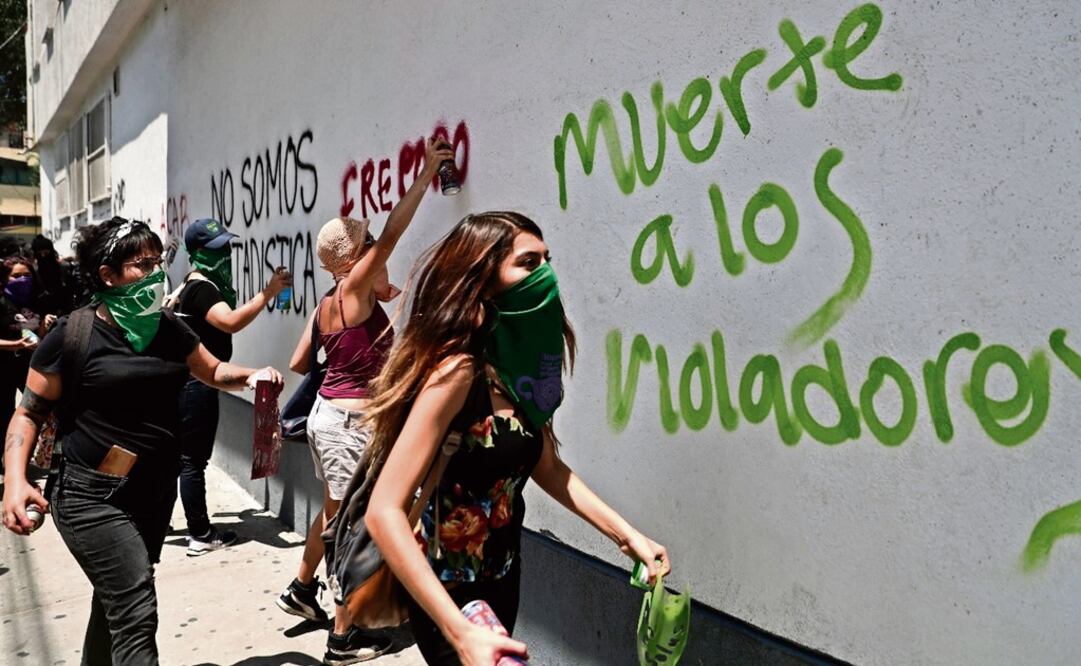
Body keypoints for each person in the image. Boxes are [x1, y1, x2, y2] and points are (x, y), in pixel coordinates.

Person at [363, 212, 672, 665]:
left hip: (503, 577)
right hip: (448, 595)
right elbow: (383, 511)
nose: (545, 273)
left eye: (548, 260)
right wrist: (460, 633)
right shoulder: (455, 373)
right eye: (528, 263)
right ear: (485, 282)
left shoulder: (515, 373)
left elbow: (548, 468)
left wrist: (629, 537)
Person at [1, 217, 283, 665]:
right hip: (89, 497)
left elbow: (211, 371)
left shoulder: (167, 328)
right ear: (106, 275)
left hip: (151, 494)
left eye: (158, 261)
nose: (155, 273)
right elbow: (28, 412)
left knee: (112, 601)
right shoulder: (72, 334)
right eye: (141, 264)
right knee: (135, 609)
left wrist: (252, 376)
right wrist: (15, 481)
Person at [276, 138, 454, 665]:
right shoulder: (350, 291)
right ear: (354, 260)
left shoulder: (331, 301)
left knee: (337, 513)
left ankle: (302, 589)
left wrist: (373, 318)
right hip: (349, 425)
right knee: (354, 528)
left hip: (330, 420)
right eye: (370, 244)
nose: (380, 244)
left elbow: (299, 363)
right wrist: (424, 175)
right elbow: (396, 230)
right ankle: (344, 635)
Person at [170, 218, 292, 556]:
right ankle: (200, 535)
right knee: (193, 461)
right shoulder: (201, 288)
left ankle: (178, 523)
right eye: (216, 248)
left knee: (183, 459)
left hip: (192, 383)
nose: (225, 253)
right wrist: (268, 292)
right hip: (197, 384)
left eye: (226, 245)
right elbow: (229, 321)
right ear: (197, 253)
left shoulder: (190, 285)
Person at [0, 256, 55, 436]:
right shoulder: (2, 302)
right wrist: (17, 344)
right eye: (16, 276)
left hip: (30, 365)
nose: (22, 279)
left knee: (38, 409)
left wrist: (44, 327)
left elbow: (39, 338)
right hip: (3, 367)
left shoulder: (38, 299)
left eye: (26, 275)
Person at [32, 234, 77, 316]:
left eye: (46, 253)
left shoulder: (65, 268)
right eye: (39, 254)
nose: (43, 256)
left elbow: (72, 291)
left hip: (67, 314)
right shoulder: (35, 273)